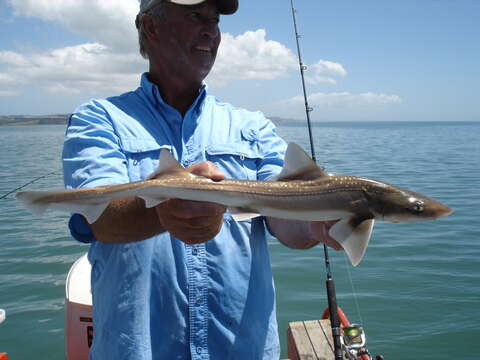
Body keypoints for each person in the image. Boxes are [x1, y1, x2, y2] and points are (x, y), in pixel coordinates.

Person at [62, 0, 341, 359]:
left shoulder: (252, 126)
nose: (211, 30)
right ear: (151, 27)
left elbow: (283, 219)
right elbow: (96, 215)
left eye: (215, 19)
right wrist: (165, 210)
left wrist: (317, 223)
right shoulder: (100, 119)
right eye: (196, 16)